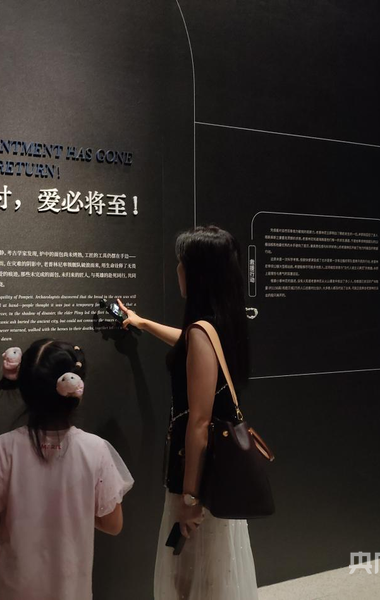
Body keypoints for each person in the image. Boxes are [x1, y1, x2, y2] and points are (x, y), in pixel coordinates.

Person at [118, 225, 259, 599]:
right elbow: (189, 344)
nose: (177, 270)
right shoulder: (219, 323)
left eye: (182, 263)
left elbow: (199, 423)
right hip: (214, 473)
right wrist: (143, 322)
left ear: (197, 273)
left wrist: (190, 498)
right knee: (211, 573)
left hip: (197, 477)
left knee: (193, 576)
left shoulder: (201, 331)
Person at [0, 338, 134, 600]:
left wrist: (16, 512)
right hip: (71, 590)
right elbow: (113, 524)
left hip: (13, 590)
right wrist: (74, 511)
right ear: (76, 388)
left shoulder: (2, 448)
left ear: (24, 386)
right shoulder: (96, 449)